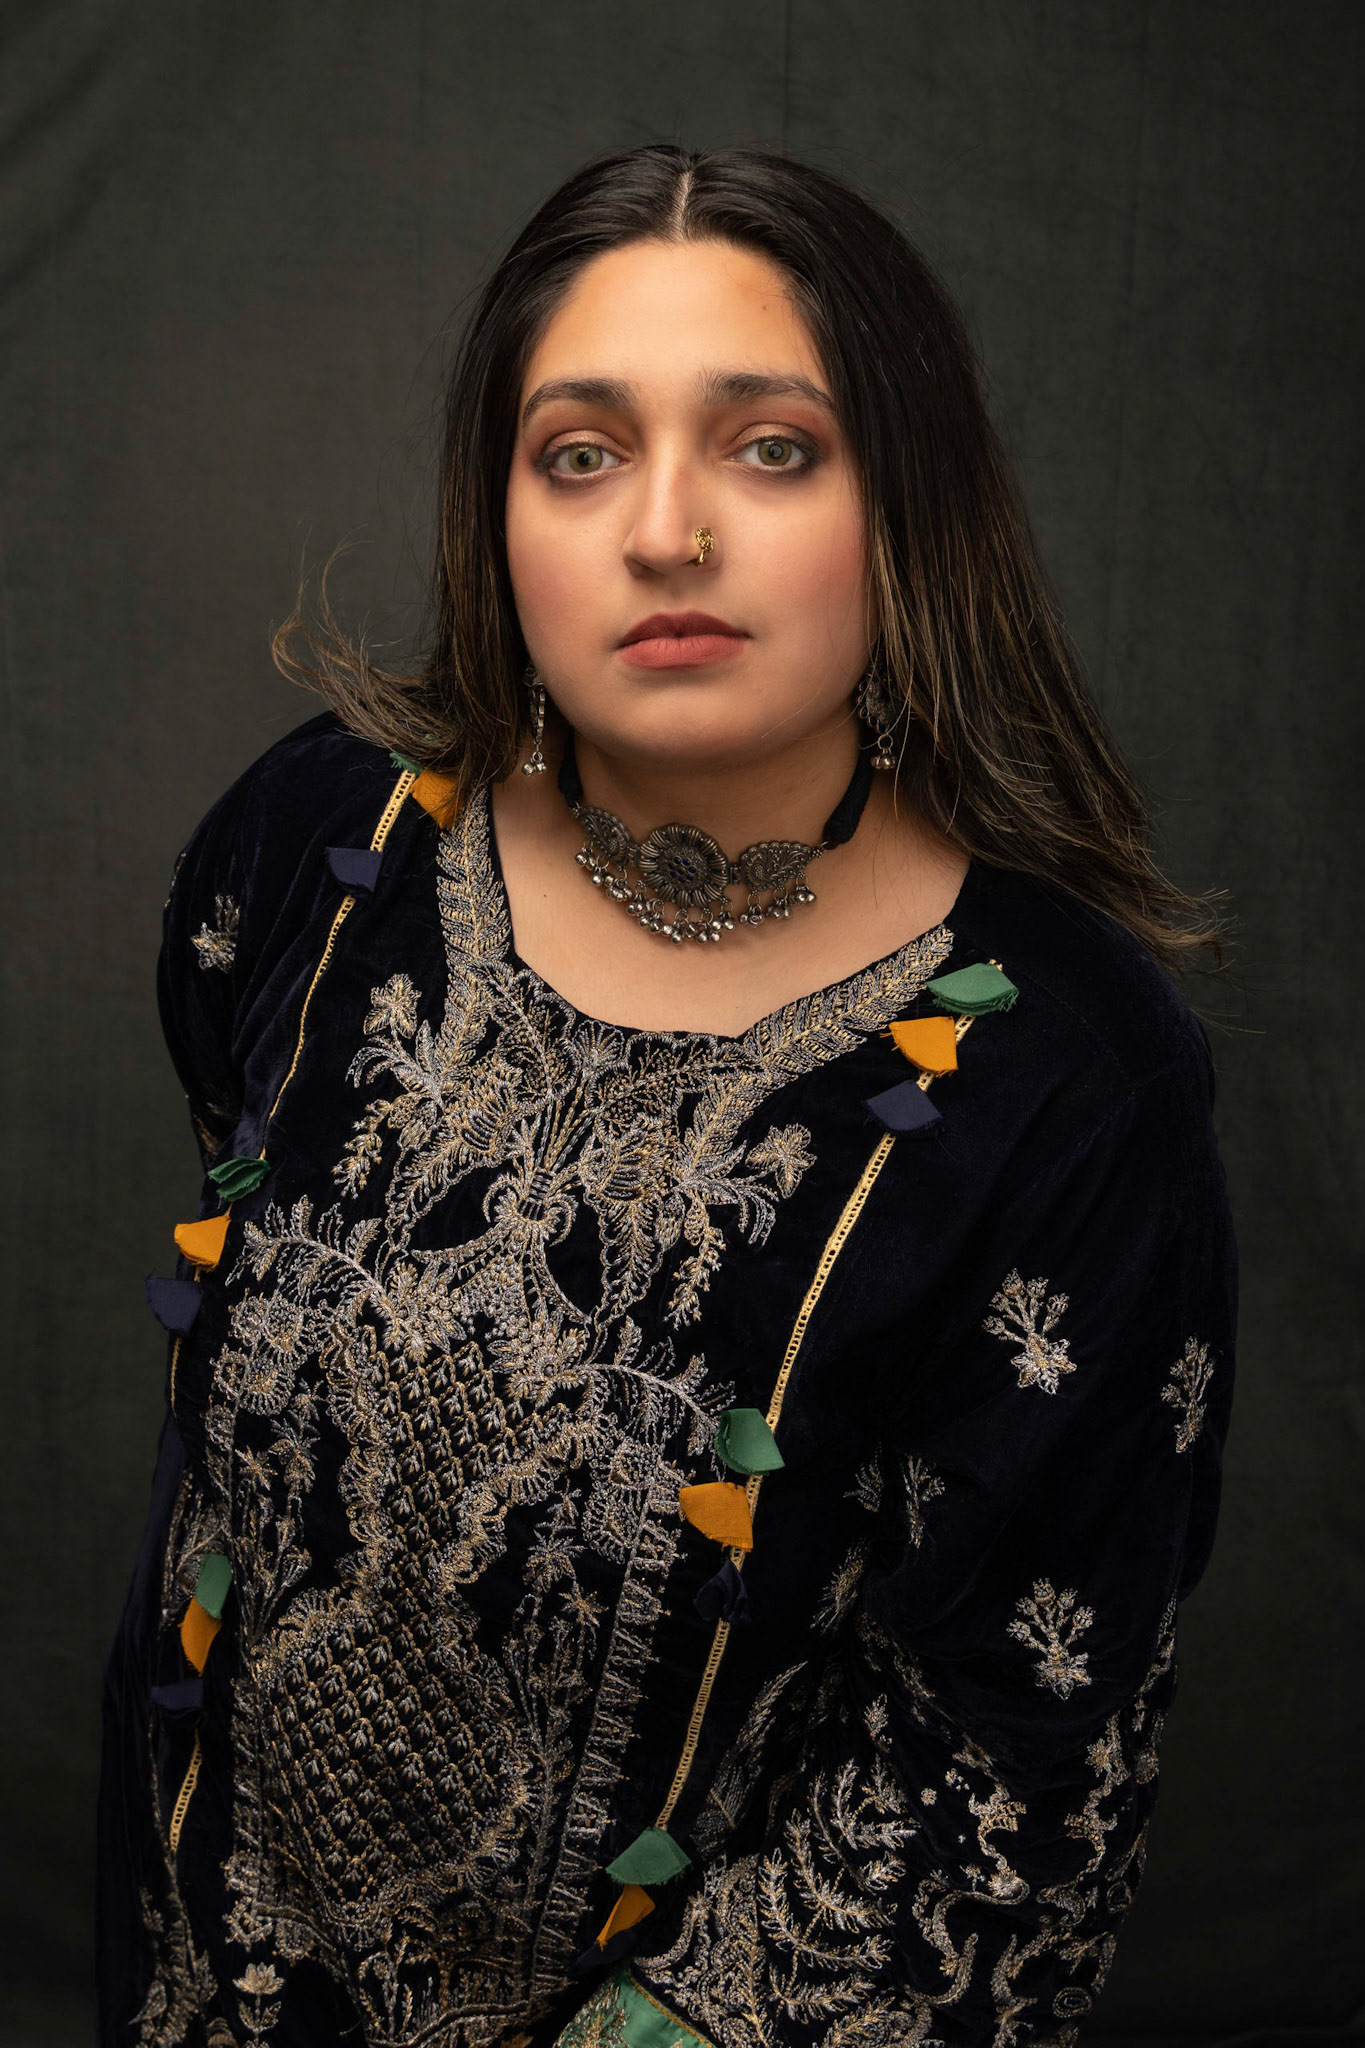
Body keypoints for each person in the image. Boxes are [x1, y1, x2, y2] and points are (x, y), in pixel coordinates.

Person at [98, 145, 1237, 2048]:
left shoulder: (1069, 1076)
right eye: (580, 452)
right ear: (495, 512)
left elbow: (1005, 1778)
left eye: (771, 448)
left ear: (909, 504)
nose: (666, 532)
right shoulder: (322, 851)